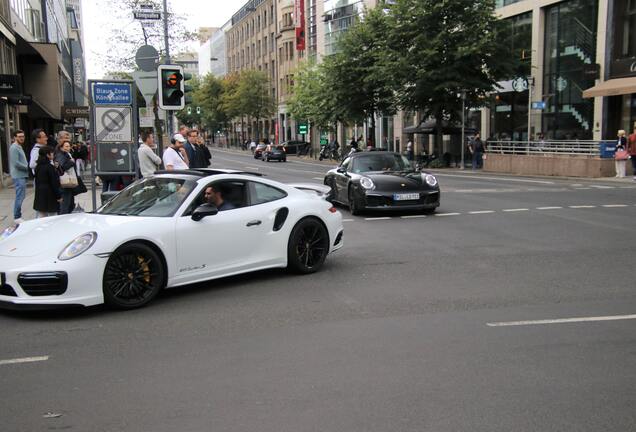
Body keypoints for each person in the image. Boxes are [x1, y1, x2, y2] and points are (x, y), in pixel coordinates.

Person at [33, 146, 62, 218]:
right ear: (47, 155)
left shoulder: (38, 167)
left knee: (42, 216)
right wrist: (59, 196)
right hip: (50, 195)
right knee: (53, 217)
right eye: (51, 153)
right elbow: (54, 184)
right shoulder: (50, 167)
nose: (53, 154)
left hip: (40, 194)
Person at [9, 130, 29, 223]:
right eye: (19, 136)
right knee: (19, 196)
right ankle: (17, 216)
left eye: (23, 136)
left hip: (21, 175)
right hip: (18, 175)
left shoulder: (19, 146)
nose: (22, 138)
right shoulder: (14, 147)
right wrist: (27, 167)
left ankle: (17, 215)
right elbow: (16, 163)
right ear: (15, 137)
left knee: (21, 195)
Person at [55, 140, 78, 214]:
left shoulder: (67, 154)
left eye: (69, 146)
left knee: (70, 204)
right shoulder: (60, 155)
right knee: (65, 205)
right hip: (65, 183)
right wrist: (71, 162)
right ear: (61, 147)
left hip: (68, 183)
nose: (68, 148)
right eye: (66, 146)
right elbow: (62, 167)